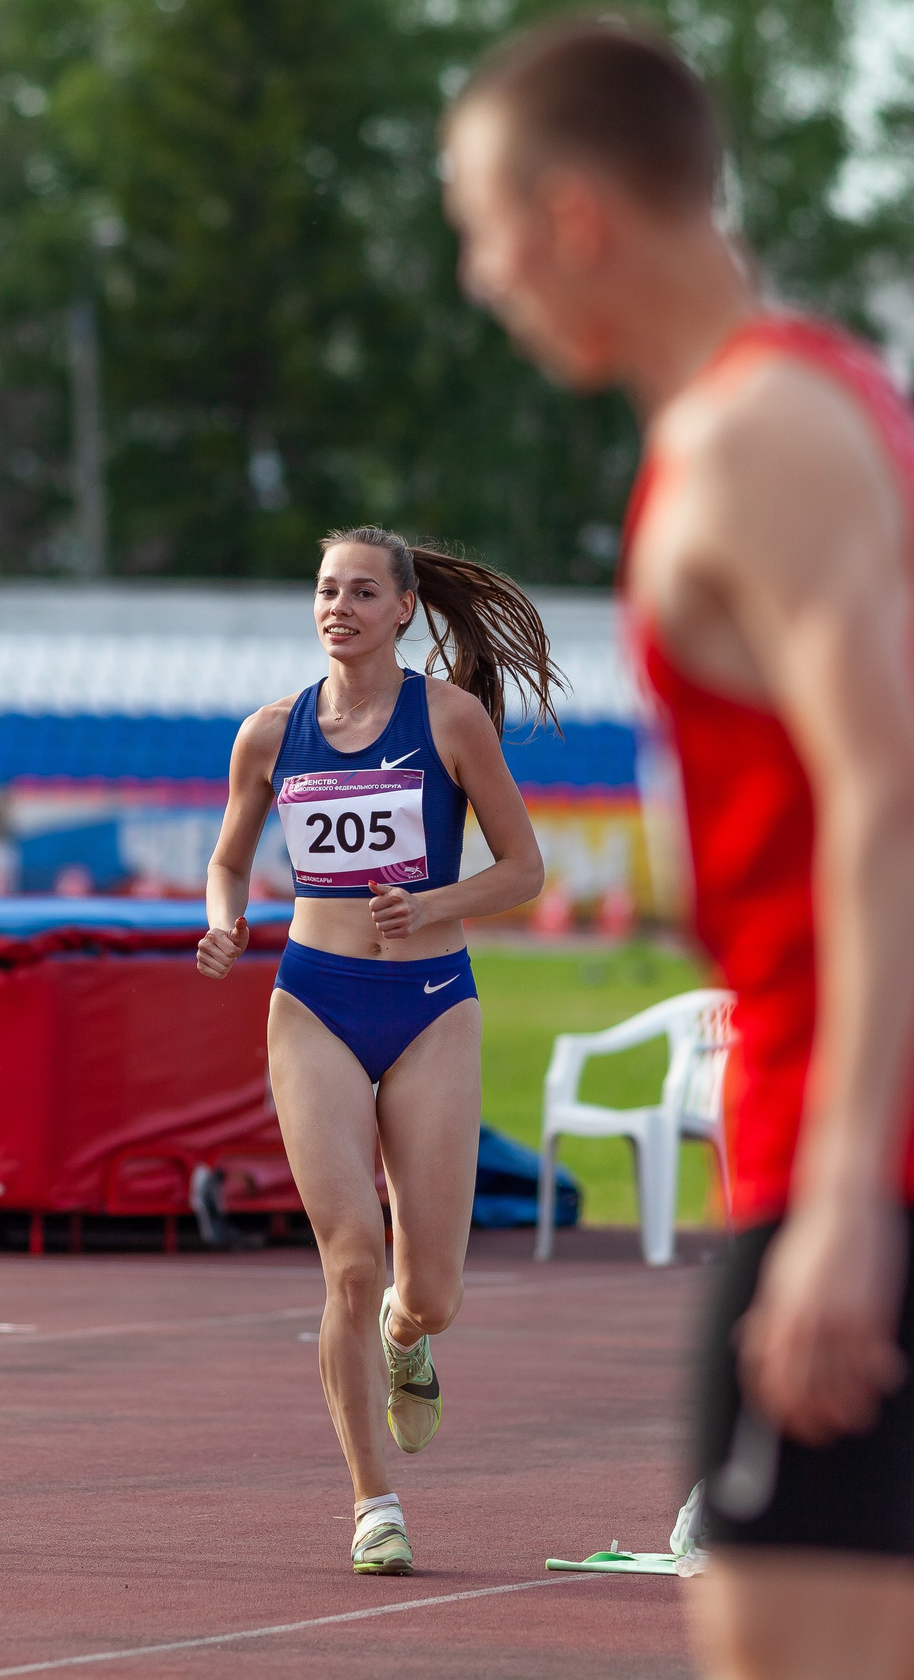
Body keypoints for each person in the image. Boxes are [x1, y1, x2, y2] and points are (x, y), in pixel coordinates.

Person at [442, 20, 914, 1678]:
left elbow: (899, 796)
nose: (478, 277)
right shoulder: (803, 403)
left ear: (577, 215)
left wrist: (846, 1197)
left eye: (481, 229)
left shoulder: (748, 440)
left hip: (872, 1161)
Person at [195, 525, 552, 1577]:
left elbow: (523, 868)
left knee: (426, 1288)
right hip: (314, 999)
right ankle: (371, 1503)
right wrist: (226, 918)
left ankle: (411, 1339)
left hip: (433, 1002)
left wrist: (433, 901)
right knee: (351, 1256)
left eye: (360, 592)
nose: (337, 607)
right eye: (323, 591)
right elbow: (227, 861)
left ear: (404, 608)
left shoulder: (448, 718)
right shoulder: (268, 733)